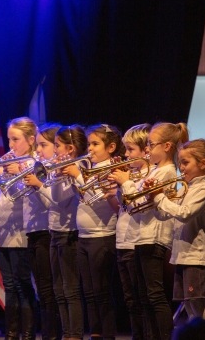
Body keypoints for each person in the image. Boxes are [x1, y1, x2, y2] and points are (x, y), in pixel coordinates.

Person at [144, 139, 205, 320]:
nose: (181, 167)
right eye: (180, 162)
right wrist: (153, 201)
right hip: (183, 255)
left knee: (197, 306)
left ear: (203, 164)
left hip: (196, 256)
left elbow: (184, 213)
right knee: (190, 306)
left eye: (185, 162)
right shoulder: (186, 188)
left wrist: (160, 198)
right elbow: (166, 216)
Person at [55, 124, 123, 340]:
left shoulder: (112, 167)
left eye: (96, 144)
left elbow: (98, 192)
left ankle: (108, 335)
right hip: (84, 236)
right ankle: (95, 333)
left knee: (102, 292)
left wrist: (77, 175)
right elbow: (60, 197)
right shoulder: (87, 166)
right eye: (90, 143)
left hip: (102, 235)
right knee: (89, 292)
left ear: (111, 147)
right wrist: (62, 175)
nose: (90, 148)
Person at [123, 122, 189, 340]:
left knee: (155, 295)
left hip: (155, 237)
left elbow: (139, 202)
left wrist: (126, 183)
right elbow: (134, 206)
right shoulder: (157, 170)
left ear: (167, 146)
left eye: (151, 144)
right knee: (145, 296)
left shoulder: (167, 171)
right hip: (145, 235)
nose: (148, 149)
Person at [0, 117, 38, 340]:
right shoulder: (8, 163)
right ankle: (11, 333)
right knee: (8, 284)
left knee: (21, 282)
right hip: (1, 230)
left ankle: (27, 333)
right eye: (9, 139)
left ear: (31, 140)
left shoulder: (34, 163)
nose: (10, 145)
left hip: (20, 231)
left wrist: (17, 173)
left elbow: (24, 196)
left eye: (15, 139)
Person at [40, 125, 87, 340]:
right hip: (55, 231)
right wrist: (56, 175)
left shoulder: (80, 167)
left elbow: (59, 198)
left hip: (70, 234)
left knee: (71, 289)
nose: (55, 150)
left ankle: (74, 335)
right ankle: (66, 333)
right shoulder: (63, 168)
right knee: (59, 289)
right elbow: (54, 199)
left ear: (70, 148)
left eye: (57, 146)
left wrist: (58, 175)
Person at [108, 123, 153, 340]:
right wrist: (118, 185)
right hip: (122, 241)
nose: (125, 154)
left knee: (143, 300)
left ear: (146, 151)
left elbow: (138, 205)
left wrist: (125, 182)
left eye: (130, 150)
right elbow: (123, 207)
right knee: (130, 301)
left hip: (137, 242)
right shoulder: (131, 175)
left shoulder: (149, 177)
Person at [22, 123, 62, 340]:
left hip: (48, 230)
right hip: (33, 230)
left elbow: (53, 204)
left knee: (49, 287)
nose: (38, 150)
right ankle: (47, 333)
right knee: (41, 287)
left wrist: (38, 185)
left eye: (43, 145)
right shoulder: (40, 167)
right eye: (37, 145)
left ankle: (53, 334)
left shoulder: (55, 170)